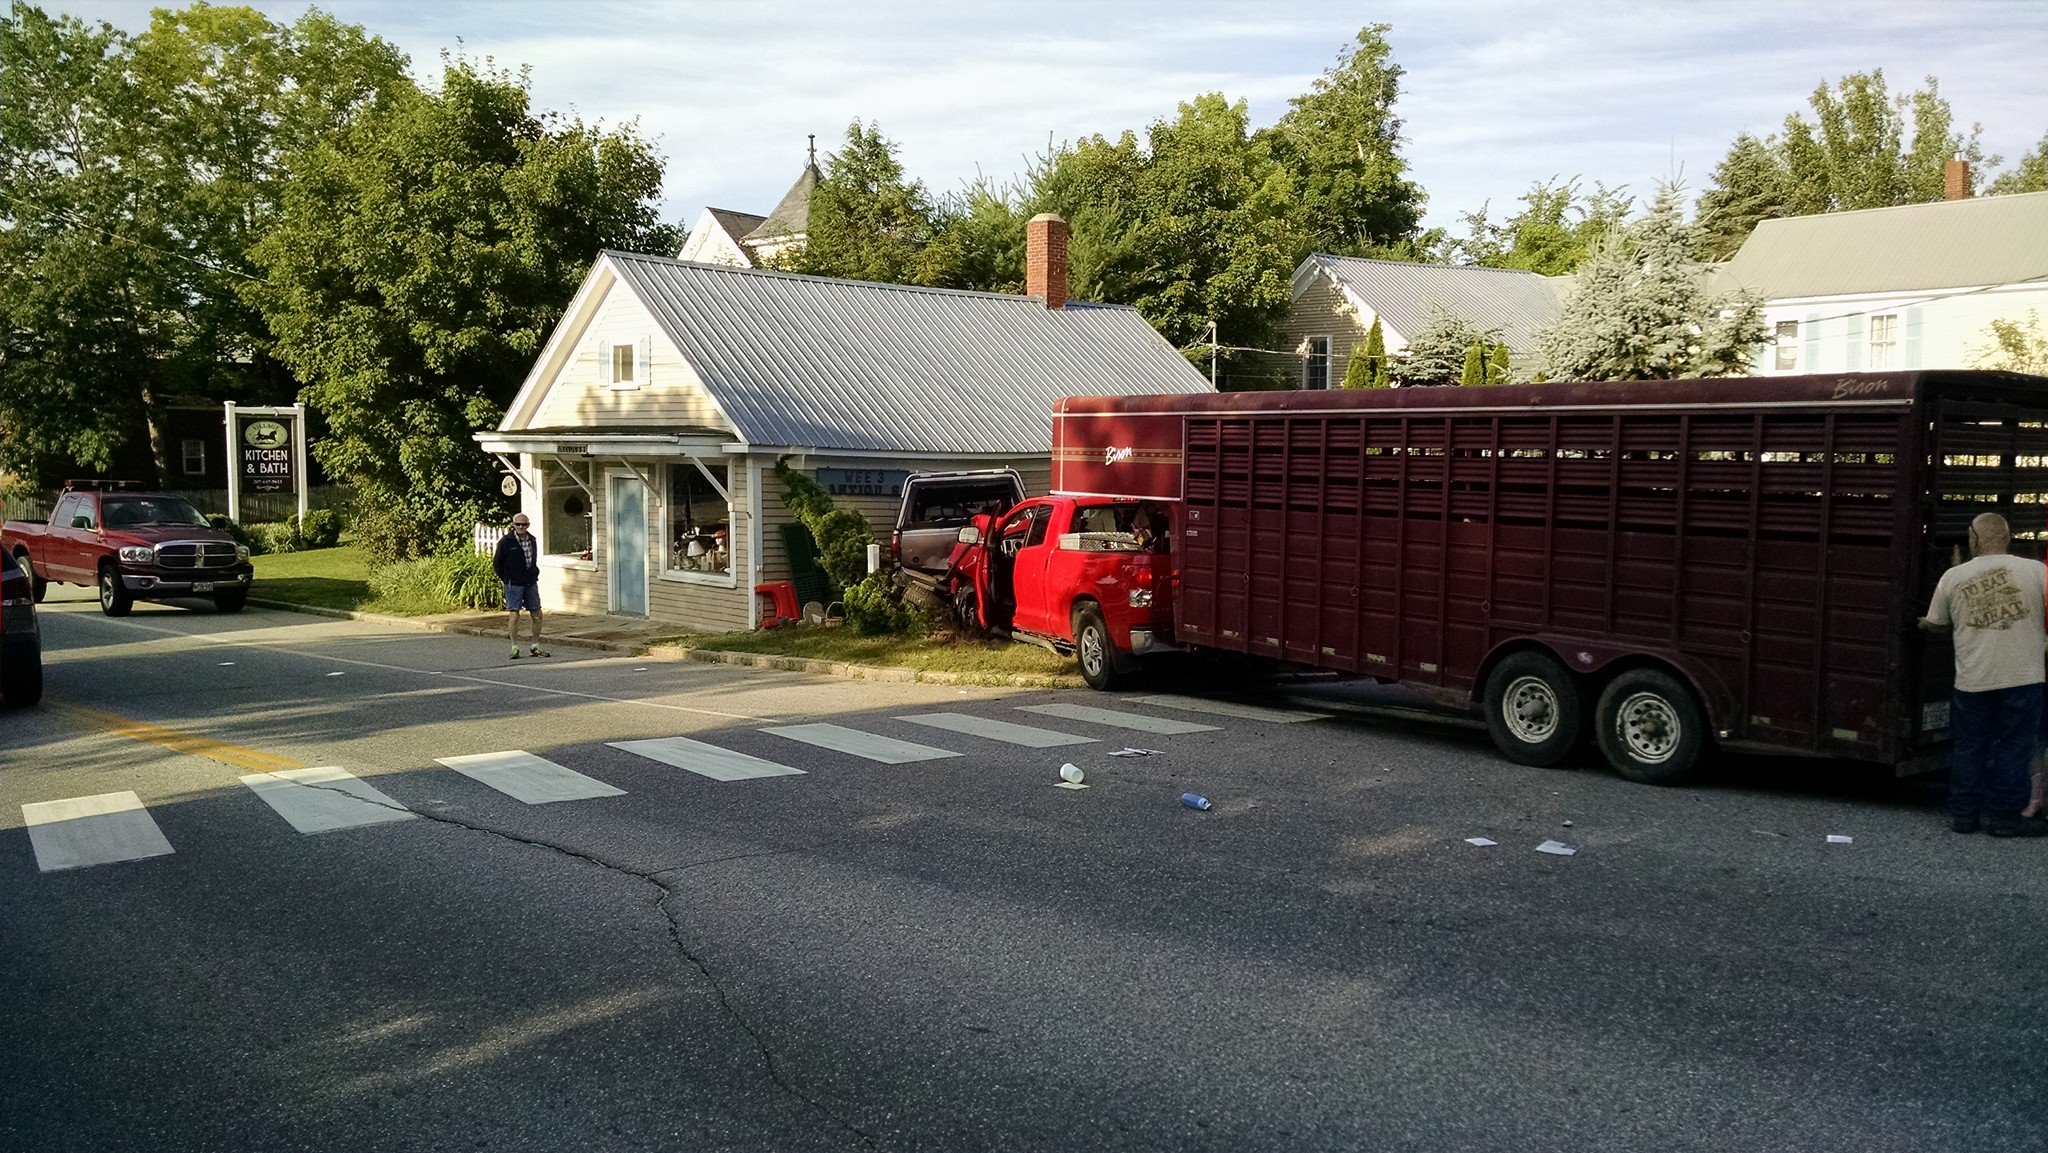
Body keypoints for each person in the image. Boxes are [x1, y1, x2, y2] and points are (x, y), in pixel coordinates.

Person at [1919, 513, 2048, 836]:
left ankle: (1964, 816)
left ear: (1973, 538)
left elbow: (1936, 623)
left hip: (1973, 680)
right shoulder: (2036, 571)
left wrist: (1920, 622)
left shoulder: (1953, 576)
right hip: (2024, 677)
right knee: (2014, 746)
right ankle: (2005, 818)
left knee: (1969, 746)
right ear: (2007, 537)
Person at [494, 514, 548, 659]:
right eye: (518, 524)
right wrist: (507, 578)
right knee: (514, 614)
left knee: (537, 614)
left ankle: (535, 645)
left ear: (528, 525)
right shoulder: (506, 542)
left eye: (524, 525)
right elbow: (497, 563)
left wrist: (533, 574)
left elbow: (533, 560)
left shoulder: (532, 540)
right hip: (513, 583)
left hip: (530, 581)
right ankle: (514, 647)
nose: (521, 527)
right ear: (513, 525)